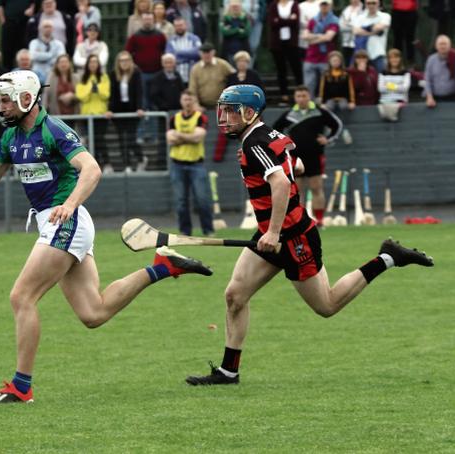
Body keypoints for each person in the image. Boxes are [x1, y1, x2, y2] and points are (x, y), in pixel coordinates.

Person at [0, 70, 213, 403]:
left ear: (27, 98)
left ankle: (21, 386)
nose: (0, 107)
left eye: (5, 101)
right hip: (60, 223)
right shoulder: (11, 138)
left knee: (21, 297)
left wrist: (70, 204)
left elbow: (91, 169)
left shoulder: (54, 130)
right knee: (94, 313)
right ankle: (162, 266)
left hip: (67, 221)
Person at [185, 84, 433, 386]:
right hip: (270, 232)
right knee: (235, 296)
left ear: (250, 114)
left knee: (326, 306)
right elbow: (297, 165)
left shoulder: (255, 144)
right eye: (221, 110)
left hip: (292, 237)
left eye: (230, 112)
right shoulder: (268, 135)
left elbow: (278, 183)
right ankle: (228, 372)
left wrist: (274, 232)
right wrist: (273, 224)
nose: (223, 118)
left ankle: (388, 257)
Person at [273, 85, 342, 226]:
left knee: (316, 187)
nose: (301, 99)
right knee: (297, 190)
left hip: (315, 156)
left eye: (304, 96)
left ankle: (320, 220)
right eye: (298, 96)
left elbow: (337, 126)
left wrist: (327, 139)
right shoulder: (289, 114)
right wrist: (283, 143)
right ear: (295, 98)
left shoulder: (320, 112)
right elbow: (274, 130)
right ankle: (300, 220)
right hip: (295, 157)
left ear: (309, 96)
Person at [167, 90, 213, 235]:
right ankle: (185, 232)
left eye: (190, 100)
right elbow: (170, 139)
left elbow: (198, 138)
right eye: (185, 99)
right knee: (181, 201)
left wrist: (179, 136)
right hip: (177, 164)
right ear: (181, 101)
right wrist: (189, 136)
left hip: (196, 164)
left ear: (194, 101)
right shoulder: (174, 118)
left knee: (202, 200)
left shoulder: (201, 118)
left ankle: (208, 230)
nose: (187, 102)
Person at [188, 43, 235, 161]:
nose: (207, 55)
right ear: (200, 54)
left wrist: (227, 100)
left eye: (209, 52)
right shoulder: (196, 68)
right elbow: (192, 89)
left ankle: (217, 157)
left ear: (213, 53)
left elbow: (234, 78)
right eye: (204, 52)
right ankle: (194, 156)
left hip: (221, 105)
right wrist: (196, 105)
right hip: (202, 106)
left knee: (226, 129)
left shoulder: (222, 64)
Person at [106, 50, 146, 172]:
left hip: (132, 110)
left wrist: (140, 107)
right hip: (119, 111)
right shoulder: (113, 74)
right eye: (122, 60)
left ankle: (141, 158)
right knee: (121, 139)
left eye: (127, 60)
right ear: (118, 62)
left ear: (130, 61)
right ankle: (127, 165)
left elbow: (139, 92)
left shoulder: (136, 73)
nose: (124, 63)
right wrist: (110, 110)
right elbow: (112, 94)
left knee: (130, 138)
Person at [75, 54, 112, 171]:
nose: (93, 64)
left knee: (100, 139)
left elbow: (106, 94)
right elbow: (81, 96)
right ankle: (95, 164)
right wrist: (90, 88)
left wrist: (98, 88)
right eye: (91, 62)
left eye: (95, 62)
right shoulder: (83, 78)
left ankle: (106, 163)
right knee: (90, 140)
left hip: (100, 114)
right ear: (87, 64)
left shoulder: (104, 76)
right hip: (87, 114)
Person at [268, 0, 303, 105]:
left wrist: (280, 20)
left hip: (291, 42)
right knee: (281, 70)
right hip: (277, 44)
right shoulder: (274, 5)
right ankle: (284, 96)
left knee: (296, 69)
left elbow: (295, 22)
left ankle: (301, 94)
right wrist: (288, 20)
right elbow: (272, 23)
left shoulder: (294, 4)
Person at [301, 0, 338, 94]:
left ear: (330, 6)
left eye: (326, 5)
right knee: (308, 85)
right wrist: (321, 35)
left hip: (325, 58)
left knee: (326, 86)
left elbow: (329, 37)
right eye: (322, 5)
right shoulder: (313, 20)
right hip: (310, 57)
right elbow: (304, 36)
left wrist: (312, 38)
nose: (324, 7)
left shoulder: (334, 21)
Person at [424, 35, 455, 108]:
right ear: (436, 46)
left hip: (453, 99)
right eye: (440, 44)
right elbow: (428, 80)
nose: (443, 46)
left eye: (445, 44)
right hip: (435, 100)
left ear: (450, 45)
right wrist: (429, 97)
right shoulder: (431, 60)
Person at [352, 0, 391, 73]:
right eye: (369, 3)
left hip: (378, 53)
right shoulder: (359, 17)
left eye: (374, 3)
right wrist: (374, 32)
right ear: (365, 4)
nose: (371, 5)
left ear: (378, 3)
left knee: (380, 80)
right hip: (362, 55)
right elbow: (355, 31)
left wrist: (364, 29)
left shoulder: (385, 16)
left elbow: (378, 27)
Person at [0, 0, 36, 70]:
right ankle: (7, 76)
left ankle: (26, 75)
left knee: (24, 51)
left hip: (25, 24)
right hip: (9, 24)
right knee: (7, 52)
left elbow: (34, 3)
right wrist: (3, 23)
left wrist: (31, 9)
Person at [166, 17, 202, 85]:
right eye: (177, 26)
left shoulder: (194, 38)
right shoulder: (170, 40)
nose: (179, 28)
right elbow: (169, 57)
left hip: (192, 75)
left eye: (181, 25)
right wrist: (189, 56)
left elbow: (198, 53)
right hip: (176, 77)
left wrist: (178, 53)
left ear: (186, 25)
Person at [378, 48, 411, 120]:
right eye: (391, 58)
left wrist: (388, 85)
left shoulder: (405, 73)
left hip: (401, 104)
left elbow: (405, 88)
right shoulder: (383, 73)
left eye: (396, 57)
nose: (394, 60)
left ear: (400, 59)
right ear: (388, 60)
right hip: (385, 103)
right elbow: (380, 88)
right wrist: (398, 87)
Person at [220, 0, 252, 64]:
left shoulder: (245, 18)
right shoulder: (225, 19)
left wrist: (231, 30)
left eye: (237, 6)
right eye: (233, 7)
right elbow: (224, 32)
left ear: (240, 7)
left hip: (243, 52)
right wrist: (237, 30)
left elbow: (246, 33)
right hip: (228, 52)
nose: (235, 8)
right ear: (229, 7)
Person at [390, 0, 417, 65]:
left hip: (411, 10)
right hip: (397, 10)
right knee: (397, 38)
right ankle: (395, 61)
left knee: (410, 38)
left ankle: (411, 62)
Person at [338, 0, 363, 64]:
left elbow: (360, 27)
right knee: (346, 63)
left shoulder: (363, 9)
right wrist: (352, 27)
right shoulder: (346, 10)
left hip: (358, 42)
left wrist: (348, 25)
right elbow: (341, 26)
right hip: (346, 42)